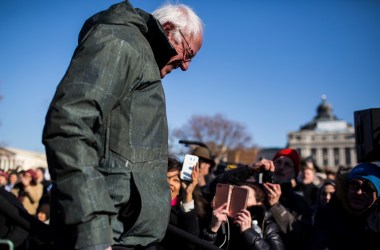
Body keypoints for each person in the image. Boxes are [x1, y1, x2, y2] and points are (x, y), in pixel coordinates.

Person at [42, 1, 204, 249]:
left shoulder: (141, 56)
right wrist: (94, 232)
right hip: (107, 237)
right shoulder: (121, 43)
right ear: (169, 27)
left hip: (124, 236)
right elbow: (69, 125)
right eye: (188, 53)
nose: (186, 66)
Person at [309, 162, 380, 250]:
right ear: (347, 188)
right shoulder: (329, 214)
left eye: (368, 188)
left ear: (377, 195)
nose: (359, 192)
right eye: (355, 185)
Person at [203, 181, 285, 250]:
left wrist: (248, 232)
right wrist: (213, 229)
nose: (238, 201)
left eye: (244, 196)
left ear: (259, 203)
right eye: (235, 196)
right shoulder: (221, 220)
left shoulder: (267, 224)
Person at [265, 148, 314, 250]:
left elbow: (300, 235)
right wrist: (248, 169)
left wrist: (276, 206)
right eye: (278, 162)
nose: (281, 167)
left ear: (294, 174)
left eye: (287, 164)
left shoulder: (300, 202)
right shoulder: (257, 192)